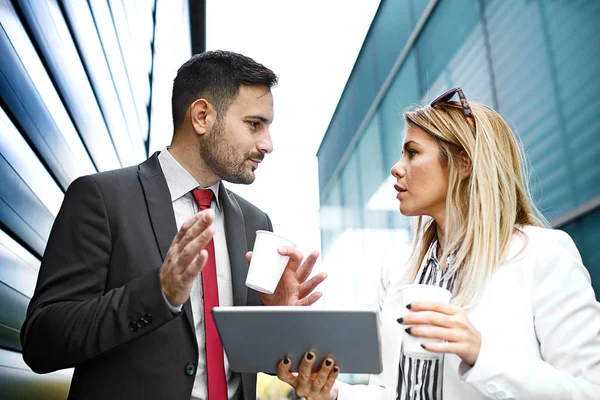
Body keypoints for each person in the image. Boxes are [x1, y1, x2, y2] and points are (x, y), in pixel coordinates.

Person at [20, 50, 326, 400]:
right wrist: (159, 293)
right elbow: (42, 342)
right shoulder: (102, 200)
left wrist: (281, 324)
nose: (267, 145)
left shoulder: (257, 222)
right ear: (201, 117)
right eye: (254, 124)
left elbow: (248, 363)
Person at [276, 87, 600, 399]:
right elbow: (387, 390)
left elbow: (589, 391)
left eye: (412, 153)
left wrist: (480, 354)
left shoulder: (542, 254)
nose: (396, 168)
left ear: (463, 163)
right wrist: (332, 393)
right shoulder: (398, 271)